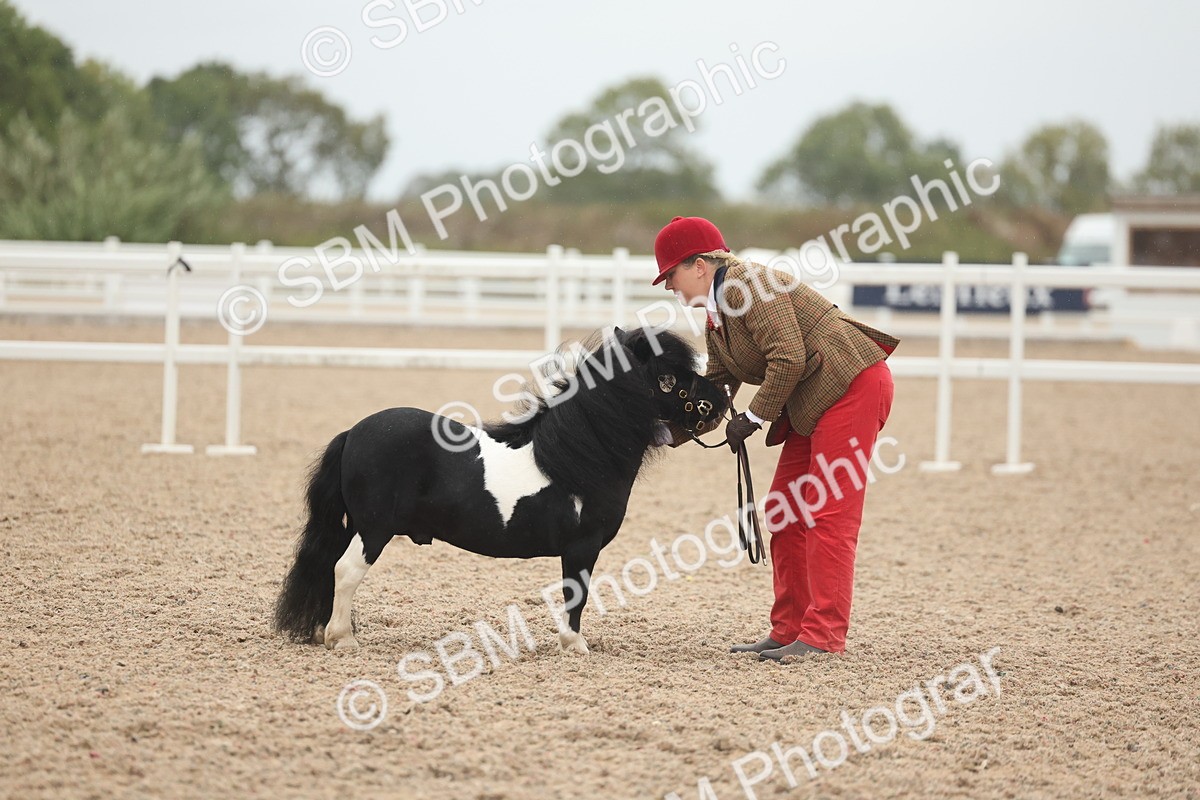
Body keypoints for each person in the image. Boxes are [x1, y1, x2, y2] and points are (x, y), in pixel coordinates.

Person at [651, 216, 899, 661]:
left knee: (827, 515)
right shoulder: (717, 315)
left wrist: (753, 417)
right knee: (784, 513)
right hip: (815, 399)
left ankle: (823, 637)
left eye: (671, 274)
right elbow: (720, 384)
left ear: (700, 265)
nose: (669, 286)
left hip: (852, 387)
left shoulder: (749, 284)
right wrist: (666, 434)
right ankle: (789, 629)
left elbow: (788, 356)